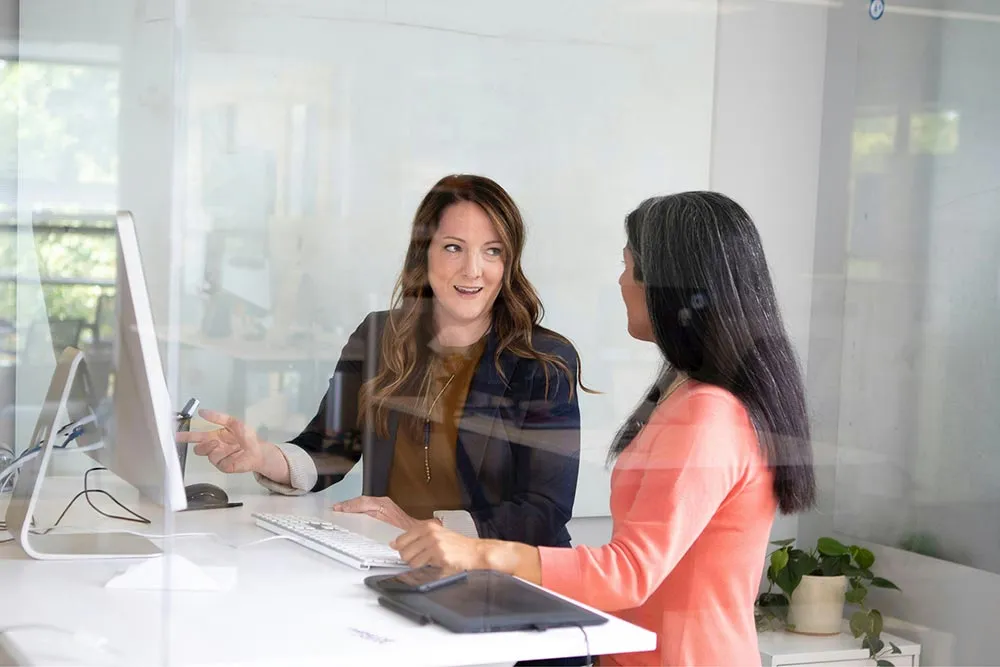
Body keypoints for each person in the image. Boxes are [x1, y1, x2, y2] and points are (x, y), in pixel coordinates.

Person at [390, 191, 817, 666]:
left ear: (670, 284)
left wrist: (479, 553)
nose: (620, 281)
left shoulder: (709, 413)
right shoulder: (686, 392)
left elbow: (630, 571)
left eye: (629, 265)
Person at [177, 174, 586, 546]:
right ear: (423, 255)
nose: (473, 269)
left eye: (492, 251)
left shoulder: (545, 361)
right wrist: (264, 455)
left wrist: (426, 530)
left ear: (509, 262)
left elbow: (544, 509)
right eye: (453, 248)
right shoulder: (378, 337)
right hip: (393, 556)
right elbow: (329, 449)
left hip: (500, 576)